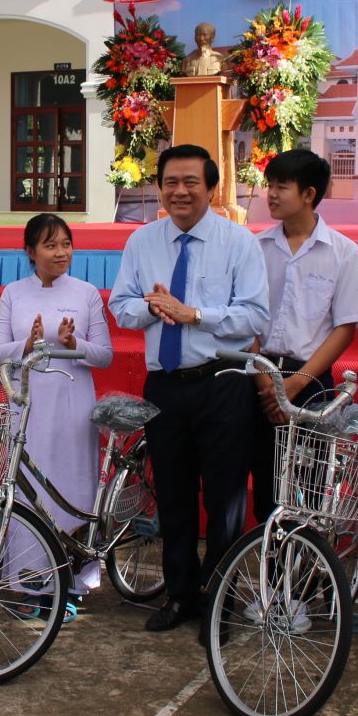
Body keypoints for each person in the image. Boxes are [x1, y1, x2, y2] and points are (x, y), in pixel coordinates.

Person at [108, 144, 269, 634]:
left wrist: (194, 314)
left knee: (224, 501)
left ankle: (219, 599)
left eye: (191, 182)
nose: (180, 191)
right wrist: (153, 308)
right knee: (173, 496)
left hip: (222, 383)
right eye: (170, 182)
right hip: (166, 387)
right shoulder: (142, 241)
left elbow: (256, 317)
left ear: (212, 188)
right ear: (158, 186)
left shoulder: (239, 243)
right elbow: (121, 305)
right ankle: (179, 595)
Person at [0, 213, 113, 617]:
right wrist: (28, 342)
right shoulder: (13, 293)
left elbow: (105, 355)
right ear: (30, 252)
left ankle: (72, 582)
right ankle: (29, 581)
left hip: (74, 405)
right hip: (28, 404)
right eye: (50, 245)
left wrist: (74, 342)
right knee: (28, 491)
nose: (61, 253)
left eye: (65, 244)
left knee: (73, 487)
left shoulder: (87, 293)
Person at [251, 149, 358, 523]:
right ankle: (272, 574)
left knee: (312, 486)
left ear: (309, 194)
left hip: (312, 379)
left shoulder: (344, 253)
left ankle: (310, 573)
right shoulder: (256, 248)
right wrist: (266, 382)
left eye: (281, 187)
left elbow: (345, 327)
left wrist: (295, 384)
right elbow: (246, 320)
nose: (270, 194)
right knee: (267, 490)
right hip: (260, 377)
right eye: (269, 185)